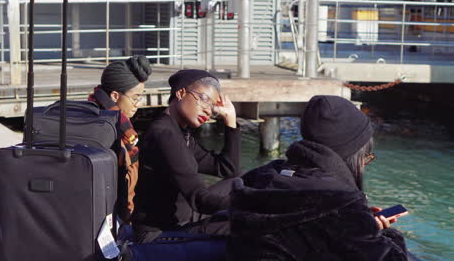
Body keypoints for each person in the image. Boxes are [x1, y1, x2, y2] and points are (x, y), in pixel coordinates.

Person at [229, 95, 408, 261]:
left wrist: (364, 222)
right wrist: (385, 233)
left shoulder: (262, 175)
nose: (363, 164)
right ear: (351, 155)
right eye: (365, 157)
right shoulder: (340, 202)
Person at [131, 69, 241, 243]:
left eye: (212, 106)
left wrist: (230, 121)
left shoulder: (182, 134)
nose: (209, 110)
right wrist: (249, 205)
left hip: (185, 216)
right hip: (159, 233)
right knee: (243, 225)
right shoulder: (164, 134)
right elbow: (200, 199)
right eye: (204, 100)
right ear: (181, 93)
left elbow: (228, 169)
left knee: (244, 180)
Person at [88, 55, 152, 222]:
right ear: (115, 96)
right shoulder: (114, 133)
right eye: (135, 97)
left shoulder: (93, 113)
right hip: (111, 219)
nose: (138, 103)